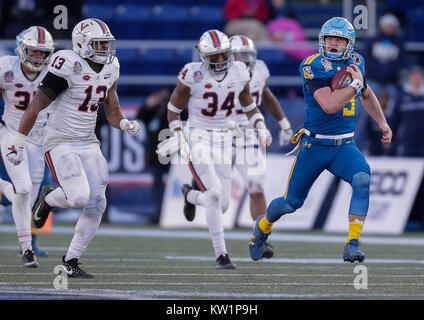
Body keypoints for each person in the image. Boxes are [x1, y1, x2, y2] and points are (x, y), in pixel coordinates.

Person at [248, 17, 393, 263]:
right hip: (315, 145)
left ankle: (352, 244)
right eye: (330, 39)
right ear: (322, 40)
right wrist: (356, 84)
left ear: (349, 43)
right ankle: (262, 227)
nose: (334, 44)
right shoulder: (312, 65)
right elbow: (329, 104)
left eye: (339, 40)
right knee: (290, 203)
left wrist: (382, 122)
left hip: (345, 145)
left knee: (362, 179)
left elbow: (367, 94)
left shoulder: (357, 62)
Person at [6, 18, 140, 278]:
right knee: (78, 197)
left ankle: (71, 261)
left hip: (88, 141)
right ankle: (48, 199)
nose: (104, 49)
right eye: (98, 43)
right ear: (82, 44)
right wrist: (19, 142)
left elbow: (112, 110)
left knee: (97, 202)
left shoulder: (111, 66)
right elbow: (37, 105)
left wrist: (124, 124)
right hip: (60, 140)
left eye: (106, 43)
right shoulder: (68, 63)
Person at [157, 29, 272, 269]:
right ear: (203, 56)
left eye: (223, 55)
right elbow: (173, 109)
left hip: (224, 139)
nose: (220, 61)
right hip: (197, 137)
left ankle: (189, 194)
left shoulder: (240, 71)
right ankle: (222, 256)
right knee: (216, 193)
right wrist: (178, 136)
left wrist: (260, 126)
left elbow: (249, 105)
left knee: (221, 204)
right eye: (214, 56)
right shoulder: (192, 73)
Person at [229, 34, 293, 259]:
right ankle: (193, 191)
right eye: (241, 56)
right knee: (216, 193)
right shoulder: (219, 74)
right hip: (219, 134)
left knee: (256, 186)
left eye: (249, 56)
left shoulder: (261, 70)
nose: (246, 61)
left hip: (248, 135)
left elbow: (265, 95)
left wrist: (284, 123)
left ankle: (260, 238)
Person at [0, 26, 55, 267]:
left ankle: (27, 250)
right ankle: (27, 249)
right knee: (21, 188)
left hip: (39, 138)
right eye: (34, 51)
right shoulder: (6, 68)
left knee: (28, 198)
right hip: (12, 132)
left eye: (43, 53)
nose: (38, 57)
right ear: (22, 49)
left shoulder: (55, 71)